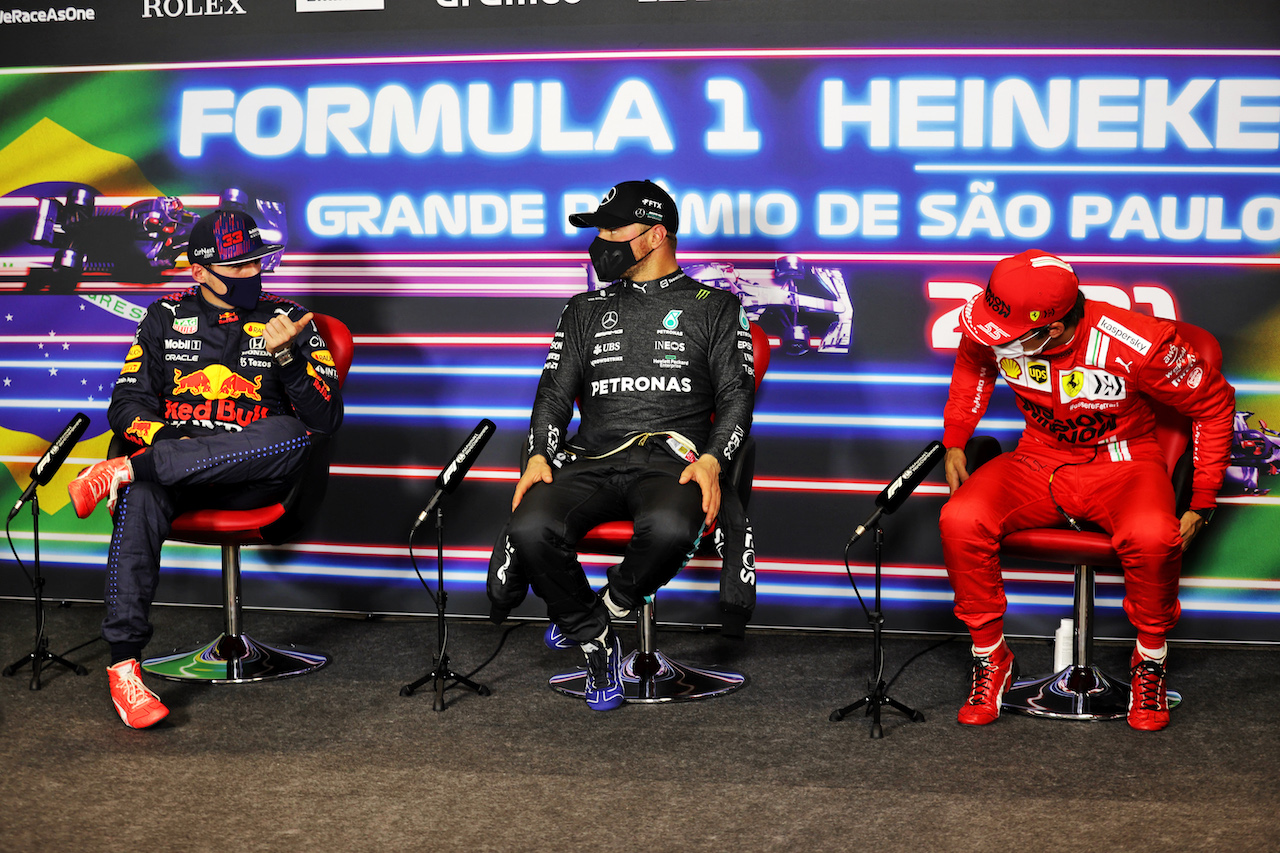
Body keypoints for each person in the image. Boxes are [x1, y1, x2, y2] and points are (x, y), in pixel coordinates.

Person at [68, 209, 344, 729]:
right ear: (198, 272)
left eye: (255, 264)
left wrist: (287, 359)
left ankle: (126, 469)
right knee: (143, 492)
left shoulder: (290, 318)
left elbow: (325, 418)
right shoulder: (164, 318)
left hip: (252, 479)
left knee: (290, 434)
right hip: (176, 479)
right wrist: (175, 443)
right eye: (235, 267)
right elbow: (125, 406)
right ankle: (125, 668)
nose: (251, 276)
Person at [939, 249, 1234, 731]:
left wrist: (1202, 499)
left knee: (1154, 536)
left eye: (1006, 337)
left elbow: (1215, 406)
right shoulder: (997, 325)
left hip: (1124, 462)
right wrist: (955, 440)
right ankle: (992, 658)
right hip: (1037, 456)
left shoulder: (1140, 342)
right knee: (959, 518)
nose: (992, 340)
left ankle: (1150, 664)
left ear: (1053, 328)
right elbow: (974, 361)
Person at [488, 180, 756, 711]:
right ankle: (597, 641)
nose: (601, 241)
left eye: (612, 230)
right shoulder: (583, 309)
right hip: (591, 459)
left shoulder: (717, 307)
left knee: (675, 528)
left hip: (671, 462)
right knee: (529, 524)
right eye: (599, 230)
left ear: (656, 235)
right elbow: (553, 394)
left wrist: (712, 460)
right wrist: (540, 452)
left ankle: (604, 611)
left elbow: (736, 396)